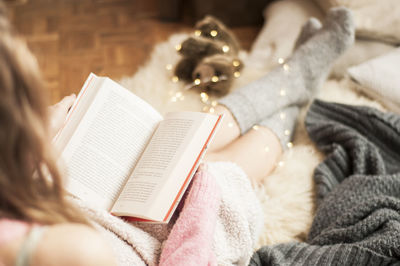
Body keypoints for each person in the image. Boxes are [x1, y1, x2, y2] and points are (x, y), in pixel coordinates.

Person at [0, 0, 354, 264]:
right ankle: (294, 83)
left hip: (85, 203)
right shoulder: (72, 250)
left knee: (185, 138)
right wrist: (203, 193)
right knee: (220, 169)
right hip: (162, 243)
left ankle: (293, 80)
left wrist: (35, 148)